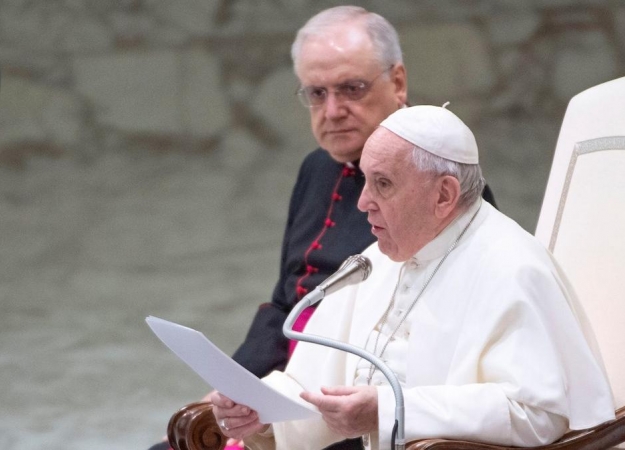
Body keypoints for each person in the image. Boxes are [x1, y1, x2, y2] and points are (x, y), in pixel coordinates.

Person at [149, 6, 495, 450]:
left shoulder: (439, 190)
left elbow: (434, 348)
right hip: (282, 395)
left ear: (398, 82)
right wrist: (228, 393)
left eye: (352, 88)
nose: (332, 111)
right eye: (316, 93)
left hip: (356, 412)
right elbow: (284, 302)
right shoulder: (316, 169)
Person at [210, 105, 615, 450]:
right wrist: (259, 412)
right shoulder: (380, 258)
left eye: (382, 184)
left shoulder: (513, 268)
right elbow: (313, 383)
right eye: (365, 180)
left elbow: (537, 414)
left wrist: (388, 409)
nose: (363, 202)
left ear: (443, 195)